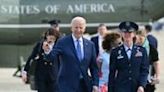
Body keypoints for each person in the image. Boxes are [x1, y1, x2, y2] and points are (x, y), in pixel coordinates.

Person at [43, 16, 99, 92]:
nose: (78, 30)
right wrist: (47, 51)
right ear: (71, 28)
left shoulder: (90, 45)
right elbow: (51, 57)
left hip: (84, 85)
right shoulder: (63, 42)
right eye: (76, 27)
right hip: (66, 85)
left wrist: (95, 84)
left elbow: (94, 67)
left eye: (81, 27)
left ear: (84, 28)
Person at [108, 21, 149, 92]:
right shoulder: (115, 52)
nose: (127, 35)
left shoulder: (142, 51)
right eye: (124, 32)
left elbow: (144, 70)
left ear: (134, 34)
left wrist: (142, 85)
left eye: (129, 32)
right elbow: (112, 73)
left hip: (137, 88)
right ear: (121, 34)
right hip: (120, 88)